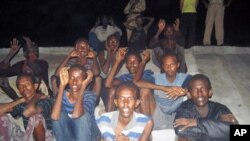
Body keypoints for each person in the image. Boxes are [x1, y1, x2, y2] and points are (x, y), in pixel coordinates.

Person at [133, 51, 192, 130]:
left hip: (176, 116)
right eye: (166, 65)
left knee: (191, 94)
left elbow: (196, 91)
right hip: (157, 113)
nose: (169, 68)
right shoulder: (156, 78)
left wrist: (185, 91)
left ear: (178, 65)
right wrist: (164, 88)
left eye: (172, 65)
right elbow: (136, 82)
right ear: (162, 67)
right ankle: (146, 131)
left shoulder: (185, 78)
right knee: (144, 91)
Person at [173, 74, 238, 141]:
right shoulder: (185, 107)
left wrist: (198, 122)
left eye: (203, 89)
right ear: (189, 95)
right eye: (195, 90)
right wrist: (219, 130)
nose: (199, 93)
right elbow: (180, 130)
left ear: (210, 92)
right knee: (182, 138)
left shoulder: (220, 108)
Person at [51, 65, 101, 141]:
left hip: (90, 136)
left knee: (82, 117)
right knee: (59, 116)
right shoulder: (63, 94)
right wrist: (61, 86)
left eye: (79, 78)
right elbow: (54, 117)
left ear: (85, 80)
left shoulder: (90, 96)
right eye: (72, 77)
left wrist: (84, 86)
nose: (75, 81)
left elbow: (76, 115)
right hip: (71, 135)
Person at [0, 73, 53, 141]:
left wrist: (36, 95)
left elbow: (28, 112)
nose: (24, 88)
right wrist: (21, 100)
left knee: (36, 117)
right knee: (2, 118)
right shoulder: (22, 103)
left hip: (46, 137)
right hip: (27, 137)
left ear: (35, 86)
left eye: (27, 84)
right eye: (20, 86)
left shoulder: (45, 101)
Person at [105, 48, 155, 116]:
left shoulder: (147, 74)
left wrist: (143, 62)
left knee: (144, 91)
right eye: (129, 62)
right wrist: (118, 61)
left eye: (135, 62)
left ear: (140, 64)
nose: (132, 64)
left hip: (148, 109)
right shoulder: (125, 77)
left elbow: (136, 82)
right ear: (126, 65)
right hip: (130, 109)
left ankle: (144, 123)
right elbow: (108, 84)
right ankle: (108, 119)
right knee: (112, 90)